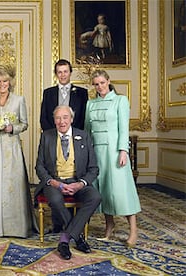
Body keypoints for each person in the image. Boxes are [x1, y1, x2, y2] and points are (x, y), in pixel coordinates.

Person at [34, 105, 101, 260]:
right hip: (55, 183)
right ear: (54, 120)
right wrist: (55, 183)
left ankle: (65, 238)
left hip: (78, 182)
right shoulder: (47, 136)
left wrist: (80, 184)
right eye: (58, 118)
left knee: (95, 197)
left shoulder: (83, 136)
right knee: (55, 200)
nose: (61, 121)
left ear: (71, 119)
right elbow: (39, 166)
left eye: (65, 117)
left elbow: (93, 168)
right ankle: (77, 237)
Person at [84, 69, 141, 247]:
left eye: (102, 82)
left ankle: (133, 230)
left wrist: (123, 150)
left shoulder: (120, 100)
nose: (99, 86)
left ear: (108, 81)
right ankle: (109, 225)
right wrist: (86, 153)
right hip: (96, 152)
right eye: (96, 84)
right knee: (103, 190)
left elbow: (124, 128)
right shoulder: (90, 104)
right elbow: (87, 131)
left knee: (121, 191)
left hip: (115, 152)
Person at [0, 65, 35, 238]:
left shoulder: (19, 100)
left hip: (12, 147)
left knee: (14, 184)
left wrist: (12, 128)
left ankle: (16, 228)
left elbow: (24, 124)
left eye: (5, 81)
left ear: (10, 82)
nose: (2, 84)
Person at [40, 59, 88, 233]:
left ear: (70, 72)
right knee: (55, 177)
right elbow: (44, 117)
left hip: (73, 138)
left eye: (65, 71)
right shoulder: (49, 93)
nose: (62, 75)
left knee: (72, 178)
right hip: (54, 139)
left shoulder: (82, 93)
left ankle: (72, 222)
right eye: (59, 72)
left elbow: (82, 118)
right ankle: (58, 224)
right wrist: (53, 138)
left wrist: (73, 136)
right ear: (56, 74)